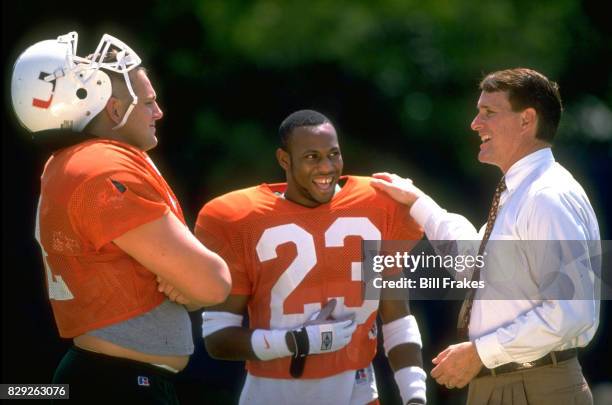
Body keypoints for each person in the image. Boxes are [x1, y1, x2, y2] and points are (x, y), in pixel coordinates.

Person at [10, 31, 231, 404]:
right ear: (113, 110)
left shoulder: (72, 164)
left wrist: (188, 283)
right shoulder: (101, 168)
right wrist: (194, 282)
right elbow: (213, 284)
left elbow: (195, 288)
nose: (158, 112)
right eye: (147, 102)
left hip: (107, 377)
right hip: (120, 385)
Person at [371, 68, 600, 404]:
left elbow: (571, 311)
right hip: (511, 382)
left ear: (527, 121)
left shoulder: (547, 195)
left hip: (534, 386)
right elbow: (474, 263)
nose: (475, 124)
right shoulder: (524, 190)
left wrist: (479, 353)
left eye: (488, 113)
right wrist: (419, 203)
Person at [195, 110, 428, 404]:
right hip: (272, 393)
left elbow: (397, 317)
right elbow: (218, 337)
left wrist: (414, 395)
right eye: (312, 157)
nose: (326, 167)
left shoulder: (374, 209)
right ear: (284, 159)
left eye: (334, 154)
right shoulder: (243, 219)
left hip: (355, 390)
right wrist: (296, 341)